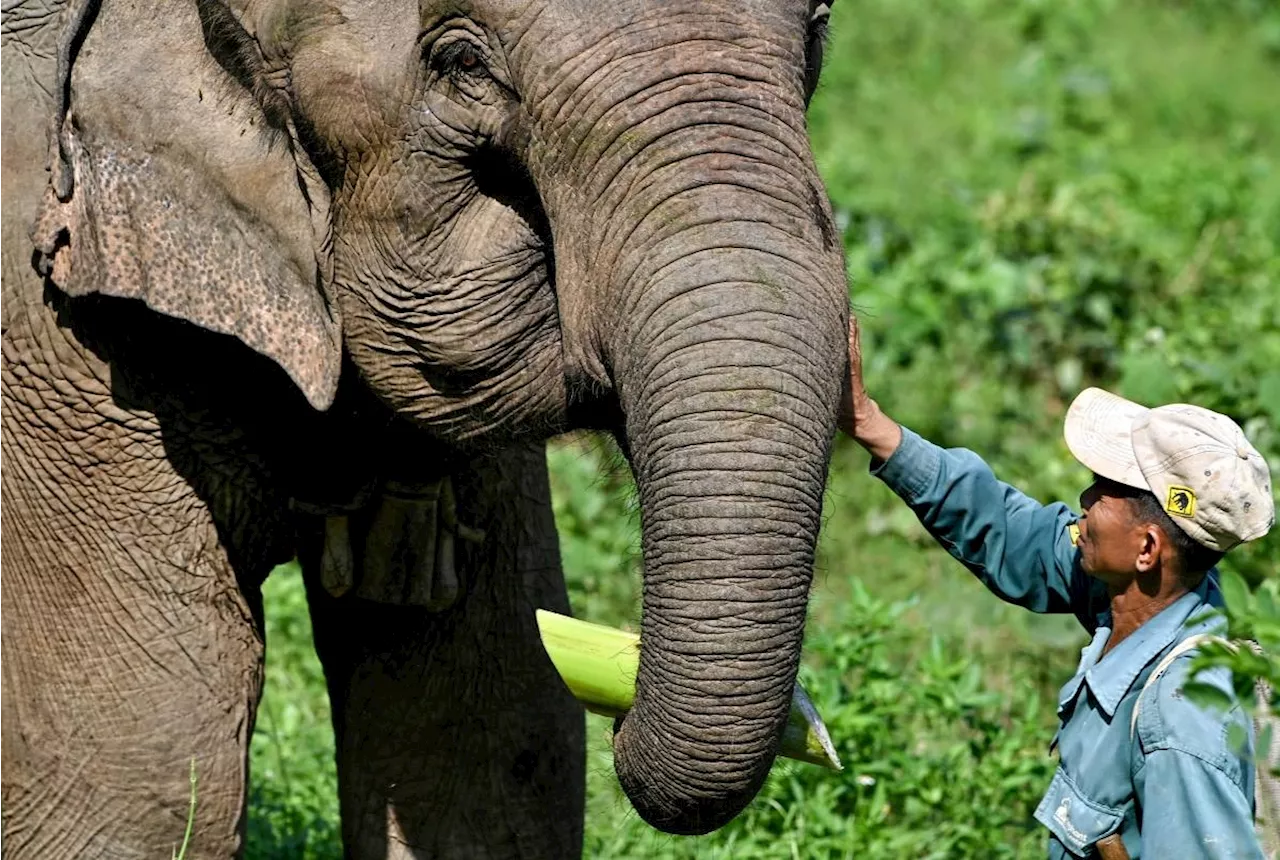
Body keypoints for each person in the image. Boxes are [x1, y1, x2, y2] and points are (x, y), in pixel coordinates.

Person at [838, 318, 1275, 859]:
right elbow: (1012, 530)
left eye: (1109, 490)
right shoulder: (1145, 598)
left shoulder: (1181, 717)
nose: (1085, 497)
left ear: (1147, 549)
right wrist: (866, 421)